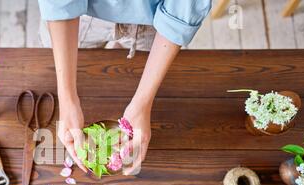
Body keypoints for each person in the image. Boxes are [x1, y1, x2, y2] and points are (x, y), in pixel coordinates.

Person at [38, 0, 212, 175]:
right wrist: (67, 98)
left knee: (123, 61)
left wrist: (142, 105)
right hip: (80, 17)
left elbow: (184, 7)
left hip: (154, 24)